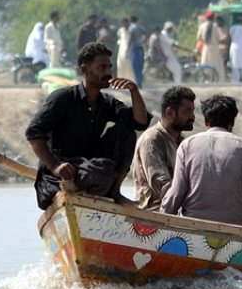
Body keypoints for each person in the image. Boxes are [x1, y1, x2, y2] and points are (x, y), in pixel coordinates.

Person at [24, 42, 150, 209]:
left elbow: (139, 123)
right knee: (100, 173)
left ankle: (114, 192)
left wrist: (134, 90)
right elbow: (33, 133)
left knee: (126, 132)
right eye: (102, 68)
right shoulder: (63, 98)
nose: (108, 73)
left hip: (89, 168)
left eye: (109, 67)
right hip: (60, 176)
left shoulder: (107, 102)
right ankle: (88, 190)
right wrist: (55, 166)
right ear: (85, 70)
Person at [162, 95, 242, 228]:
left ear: (206, 121)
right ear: (232, 122)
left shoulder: (186, 145)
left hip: (194, 222)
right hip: (236, 223)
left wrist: (163, 218)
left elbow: (177, 190)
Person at [132, 86, 196, 211]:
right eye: (188, 111)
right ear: (170, 113)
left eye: (192, 111)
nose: (193, 116)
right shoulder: (152, 140)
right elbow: (162, 186)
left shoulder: (182, 142)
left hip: (178, 213)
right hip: (155, 215)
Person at [127, 15, 146, 87]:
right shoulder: (140, 27)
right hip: (141, 47)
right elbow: (146, 34)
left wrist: (127, 48)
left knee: (135, 66)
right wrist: (143, 41)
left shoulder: (131, 28)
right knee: (140, 66)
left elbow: (130, 39)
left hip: (134, 48)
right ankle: (140, 82)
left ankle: (138, 82)